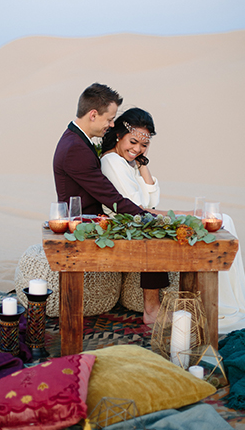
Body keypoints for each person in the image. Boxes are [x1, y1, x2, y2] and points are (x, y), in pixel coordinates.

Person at [101, 107, 245, 334]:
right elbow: (136, 208)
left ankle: (233, 306)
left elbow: (151, 198)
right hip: (132, 226)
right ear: (119, 134)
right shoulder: (112, 161)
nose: (137, 149)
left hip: (143, 220)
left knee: (223, 220)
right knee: (218, 222)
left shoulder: (129, 163)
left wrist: (142, 163)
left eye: (144, 144)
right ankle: (225, 307)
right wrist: (181, 213)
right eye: (133, 142)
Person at [53, 84, 169, 324]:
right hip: (85, 225)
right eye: (110, 118)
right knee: (153, 236)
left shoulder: (77, 141)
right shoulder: (75, 148)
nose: (112, 125)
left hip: (94, 218)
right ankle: (152, 310)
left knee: (150, 229)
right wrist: (146, 217)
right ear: (93, 114)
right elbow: (111, 198)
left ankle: (152, 309)